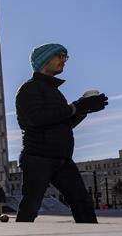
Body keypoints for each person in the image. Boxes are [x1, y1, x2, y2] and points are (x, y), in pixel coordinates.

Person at [15, 43, 108, 223]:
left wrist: (84, 108)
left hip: (62, 159)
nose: (64, 60)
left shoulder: (55, 92)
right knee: (30, 207)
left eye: (65, 57)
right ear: (44, 59)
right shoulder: (29, 89)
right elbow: (36, 119)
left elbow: (63, 124)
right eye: (60, 56)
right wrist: (75, 107)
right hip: (37, 158)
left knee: (82, 202)